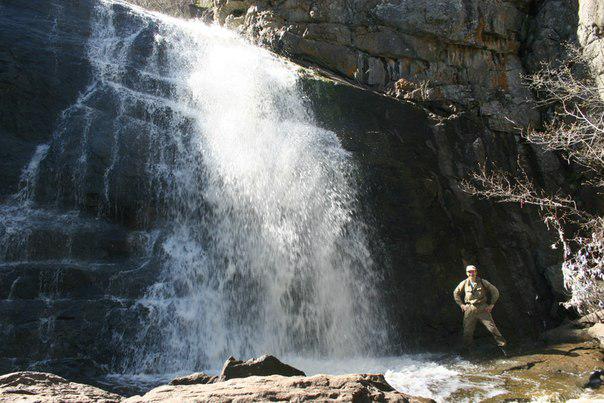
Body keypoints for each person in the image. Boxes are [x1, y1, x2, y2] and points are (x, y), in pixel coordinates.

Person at [453, 264, 507, 355]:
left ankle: (504, 347)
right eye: (469, 272)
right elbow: (456, 293)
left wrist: (491, 304)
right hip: (470, 309)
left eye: (473, 271)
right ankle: (468, 349)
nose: (471, 273)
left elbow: (495, 291)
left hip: (482, 308)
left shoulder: (482, 281)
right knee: (467, 331)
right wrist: (462, 305)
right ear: (467, 273)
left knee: (492, 328)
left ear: (476, 272)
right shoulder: (464, 283)